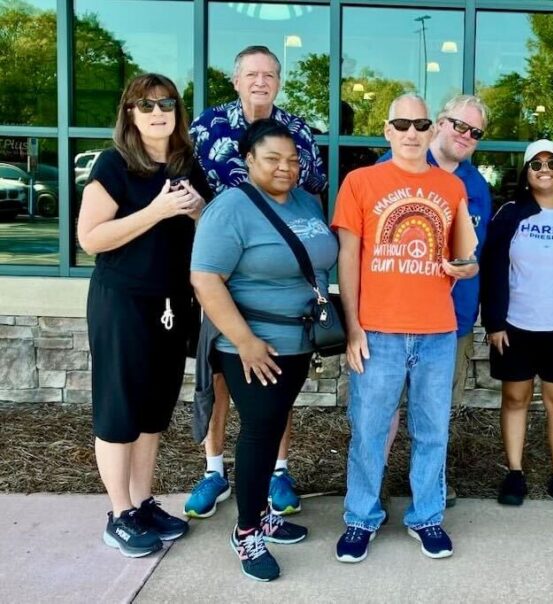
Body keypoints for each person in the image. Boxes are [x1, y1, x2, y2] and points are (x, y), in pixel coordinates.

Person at [332, 94, 478, 563]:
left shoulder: (451, 188)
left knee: (432, 430)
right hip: (378, 331)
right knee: (370, 429)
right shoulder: (360, 182)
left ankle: (427, 517)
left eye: (420, 124)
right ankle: (360, 518)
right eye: (402, 124)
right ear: (388, 131)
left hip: (437, 330)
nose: (412, 132)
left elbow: (466, 257)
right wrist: (353, 327)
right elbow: (347, 259)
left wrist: (466, 269)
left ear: (433, 128)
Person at [191, 119, 337, 582]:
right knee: (258, 431)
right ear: (248, 160)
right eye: (273, 158)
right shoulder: (230, 208)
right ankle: (247, 530)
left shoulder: (304, 202)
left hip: (297, 341)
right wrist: (245, 341)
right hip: (251, 344)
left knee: (272, 425)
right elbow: (205, 278)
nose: (285, 168)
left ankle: (263, 516)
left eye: (293, 160)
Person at [186, 45, 327, 519]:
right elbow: (181, 183)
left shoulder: (298, 132)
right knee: (224, 377)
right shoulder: (206, 128)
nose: (261, 81)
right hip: (223, 271)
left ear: (279, 80)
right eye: (252, 74)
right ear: (236, 78)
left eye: (270, 74)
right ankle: (214, 471)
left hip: (280, 283)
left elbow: (308, 199)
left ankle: (276, 473)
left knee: (274, 397)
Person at [78, 73, 209, 558]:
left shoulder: (186, 164)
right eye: (146, 104)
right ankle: (118, 514)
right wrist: (156, 210)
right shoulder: (114, 166)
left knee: (153, 412)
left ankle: (142, 501)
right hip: (122, 302)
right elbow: (90, 238)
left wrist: (198, 211)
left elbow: (210, 232)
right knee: (120, 409)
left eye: (167, 103)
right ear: (130, 114)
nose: (158, 112)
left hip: (172, 304)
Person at [377, 95, 493, 508]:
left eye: (475, 132)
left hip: (450, 320)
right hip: (389, 318)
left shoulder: (475, 186)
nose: (465, 136)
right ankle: (375, 484)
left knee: (434, 415)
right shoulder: (385, 170)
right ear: (437, 124)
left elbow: (480, 253)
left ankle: (428, 489)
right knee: (382, 414)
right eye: (458, 126)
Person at [479, 139, 553, 509]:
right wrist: (494, 322)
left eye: (552, 163)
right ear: (527, 174)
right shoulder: (510, 214)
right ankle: (514, 473)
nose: (545, 170)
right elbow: (493, 269)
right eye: (536, 165)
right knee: (515, 398)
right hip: (516, 326)